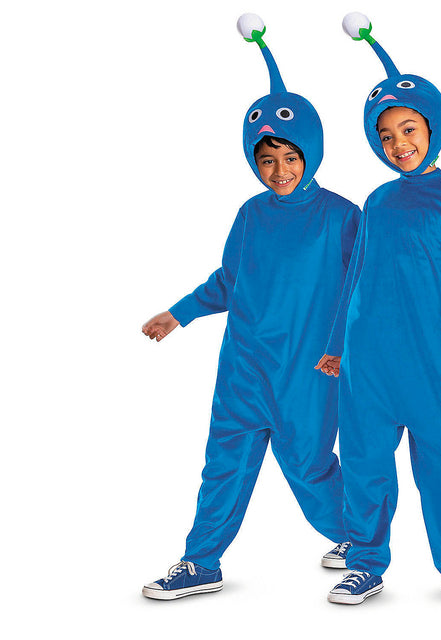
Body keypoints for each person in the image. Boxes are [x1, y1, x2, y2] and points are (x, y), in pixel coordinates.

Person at [141, 14, 359, 600]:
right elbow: (231, 280)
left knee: (309, 465)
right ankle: (201, 561)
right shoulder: (251, 214)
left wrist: (340, 350)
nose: (279, 171)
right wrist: (179, 313)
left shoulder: (342, 217)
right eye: (267, 160)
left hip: (309, 369)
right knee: (223, 465)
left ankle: (358, 538)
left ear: (311, 153)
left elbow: (358, 291)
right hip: (243, 365)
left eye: (290, 157)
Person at [315, 13, 441, 606]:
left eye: (408, 129)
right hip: (366, 367)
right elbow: (355, 278)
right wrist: (336, 345)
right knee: (364, 465)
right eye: (385, 136)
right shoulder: (378, 200)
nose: (398, 144)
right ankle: (366, 563)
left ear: (433, 128)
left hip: (432, 368)